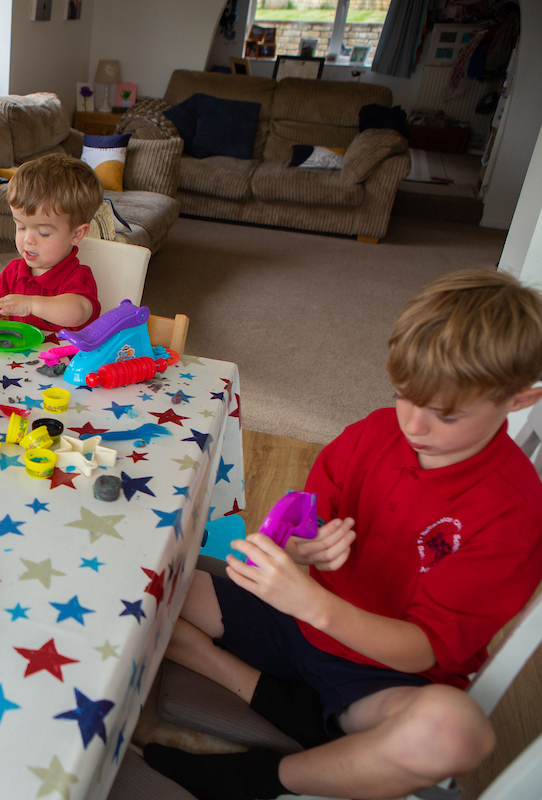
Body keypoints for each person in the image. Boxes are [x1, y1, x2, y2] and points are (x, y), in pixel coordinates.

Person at [144, 269, 542, 800]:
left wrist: (314, 605)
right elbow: (301, 520)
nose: (415, 426)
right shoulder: (375, 433)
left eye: (445, 414)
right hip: (297, 625)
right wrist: (296, 548)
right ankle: (273, 698)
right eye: (405, 395)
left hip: (383, 675)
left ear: (519, 400)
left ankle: (262, 780)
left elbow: (425, 649)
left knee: (455, 734)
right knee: (146, 582)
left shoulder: (513, 510)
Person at [0, 153, 102, 333]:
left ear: (77, 234)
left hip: (63, 360)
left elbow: (79, 312)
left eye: (44, 232)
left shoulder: (77, 276)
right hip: (15, 357)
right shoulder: (14, 271)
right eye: (21, 227)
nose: (28, 240)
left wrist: (30, 304)